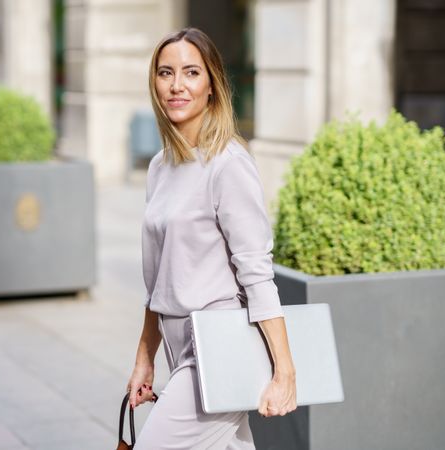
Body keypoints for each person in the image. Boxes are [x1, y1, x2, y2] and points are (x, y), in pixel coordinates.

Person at [126, 28, 297, 449]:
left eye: (190, 72)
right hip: (178, 339)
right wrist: (145, 357)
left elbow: (257, 273)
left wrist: (284, 372)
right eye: (166, 73)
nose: (177, 85)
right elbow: (157, 283)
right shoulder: (159, 167)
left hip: (220, 344)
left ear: (212, 87)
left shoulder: (228, 165)